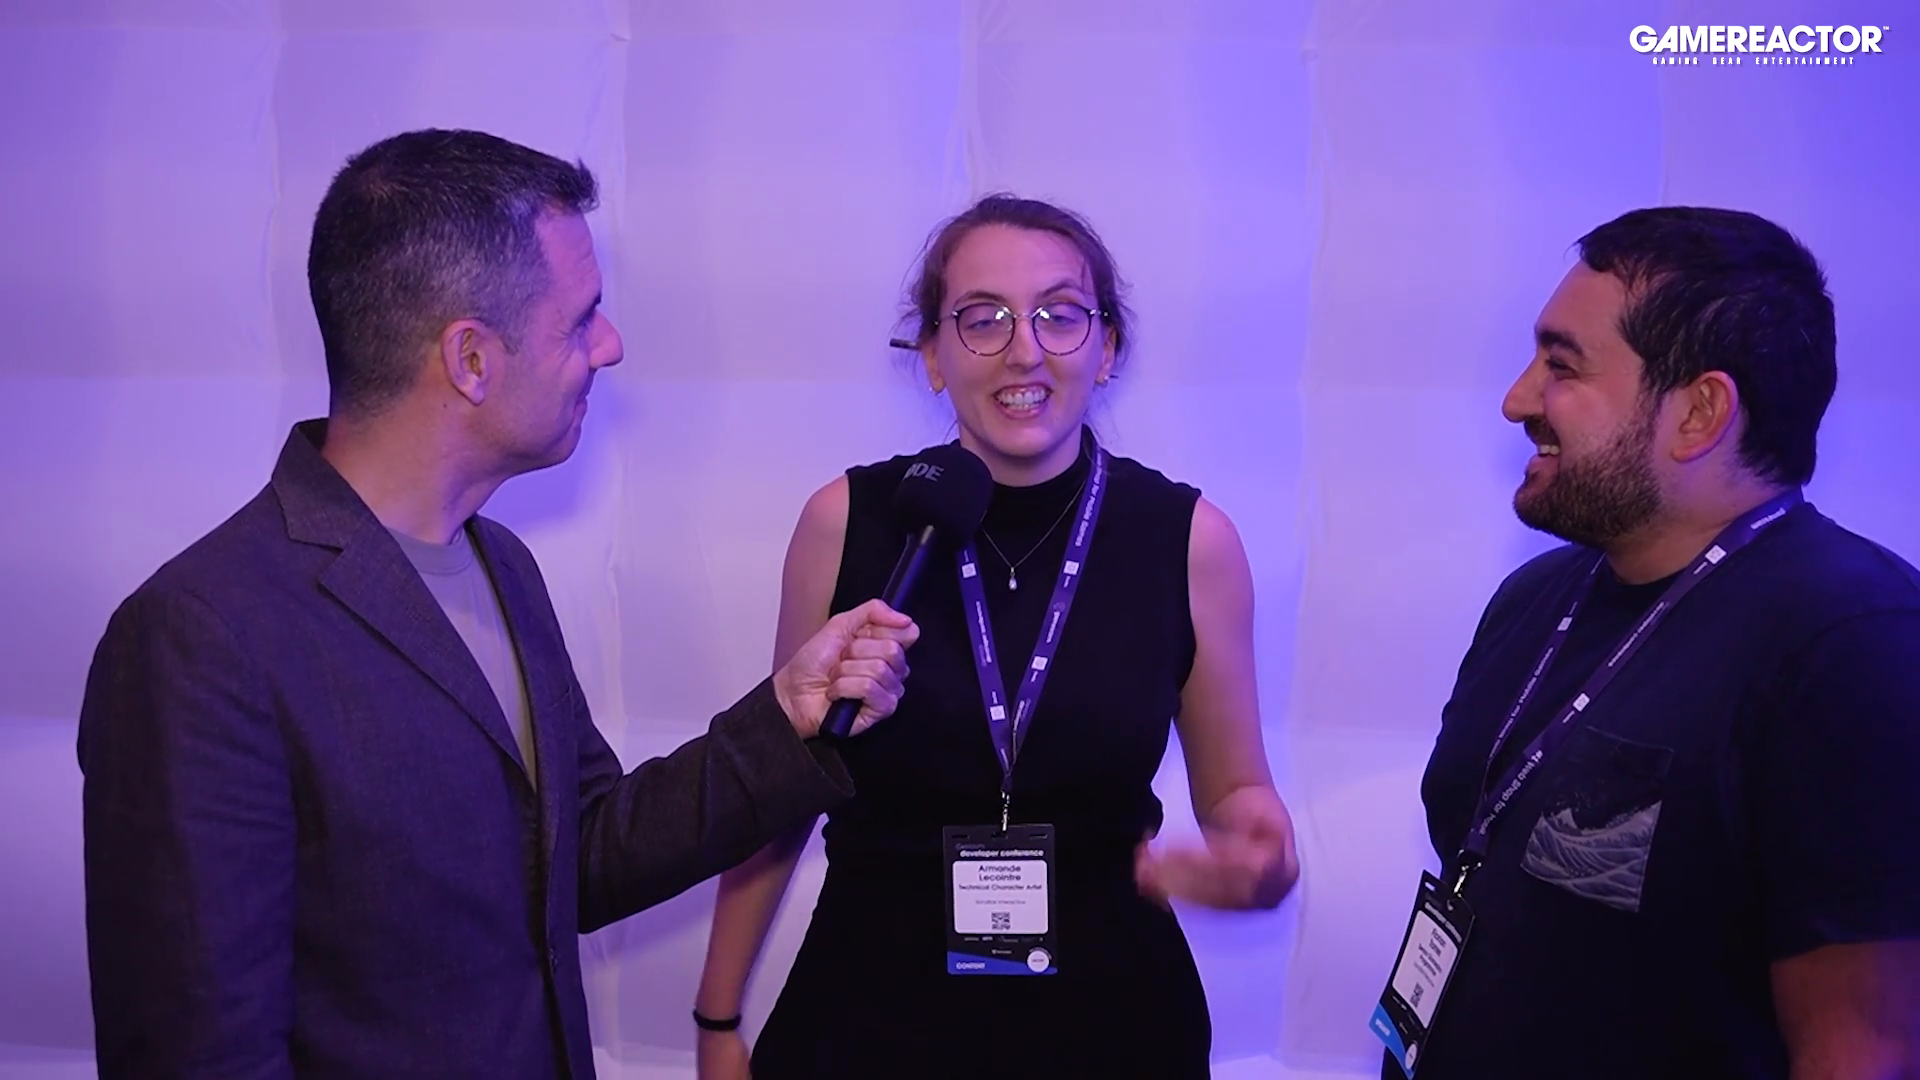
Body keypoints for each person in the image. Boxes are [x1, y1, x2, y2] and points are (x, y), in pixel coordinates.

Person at [76, 128, 920, 1080]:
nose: (610, 346)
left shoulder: (502, 564)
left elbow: (580, 856)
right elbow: (200, 1050)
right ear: (471, 359)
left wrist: (788, 716)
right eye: (581, 319)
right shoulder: (200, 638)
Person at [691, 194, 1301, 1079]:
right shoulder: (846, 522)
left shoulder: (1189, 540)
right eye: (984, 319)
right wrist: (716, 1020)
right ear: (932, 357)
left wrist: (1260, 850)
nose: (1025, 350)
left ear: (1107, 347)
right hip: (866, 1023)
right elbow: (778, 793)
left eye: (1060, 315)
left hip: (1115, 1027)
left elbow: (1237, 789)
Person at [1378, 207, 1920, 1079]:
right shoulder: (1535, 598)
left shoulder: (1851, 644)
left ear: (1700, 412)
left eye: (1562, 367)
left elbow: (1863, 1047)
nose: (1518, 400)